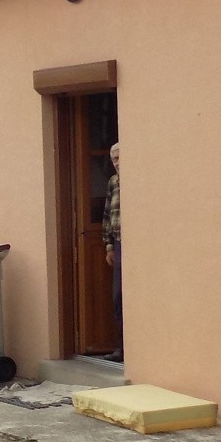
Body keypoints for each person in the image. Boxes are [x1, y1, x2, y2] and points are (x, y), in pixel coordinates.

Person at [103, 141, 122, 352]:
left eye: (120, 158)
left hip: (134, 244)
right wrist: (108, 246)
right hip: (118, 243)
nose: (117, 163)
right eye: (114, 159)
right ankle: (120, 349)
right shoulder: (113, 182)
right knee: (117, 297)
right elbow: (107, 214)